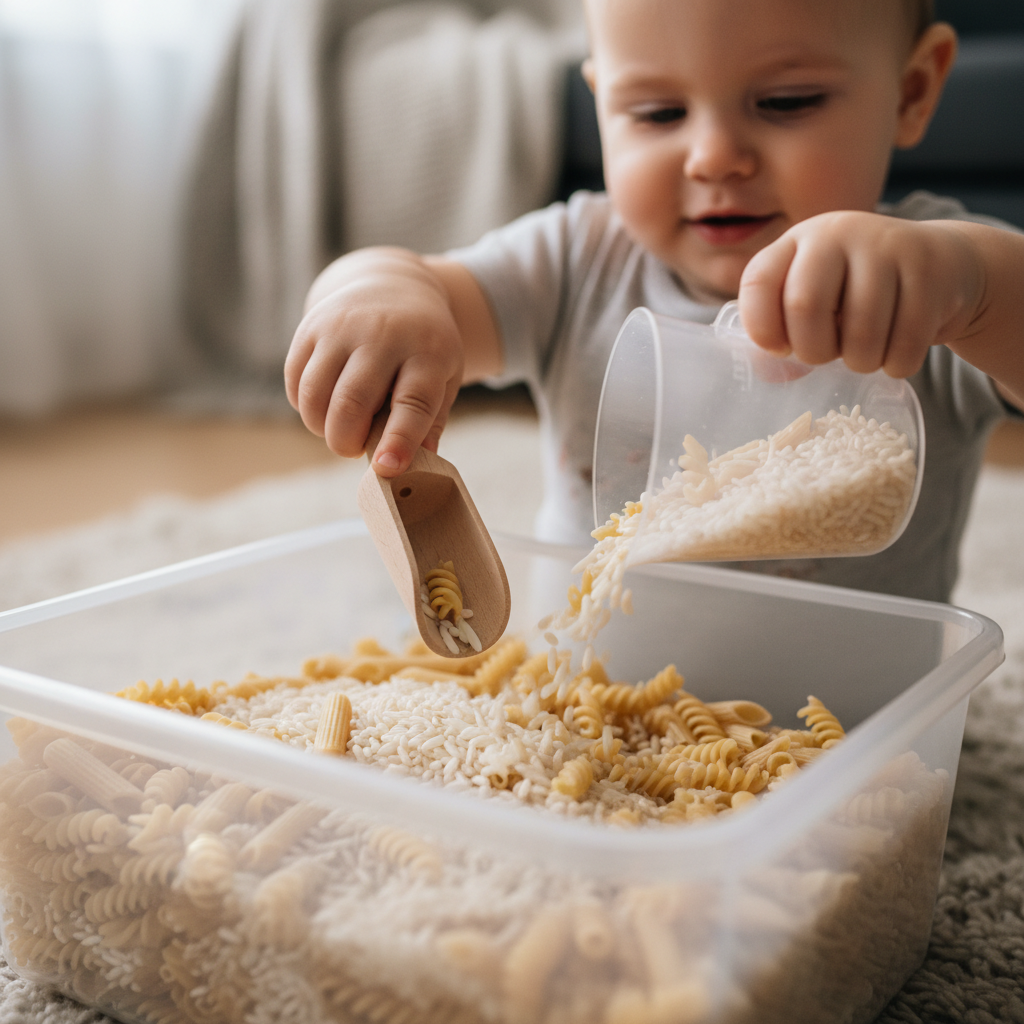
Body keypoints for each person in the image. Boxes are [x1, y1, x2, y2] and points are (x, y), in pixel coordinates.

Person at [284, 0, 1024, 602]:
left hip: (858, 734)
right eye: (657, 114)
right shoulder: (575, 260)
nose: (713, 156)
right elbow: (431, 291)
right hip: (598, 717)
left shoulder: (928, 282)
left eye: (785, 102)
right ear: (602, 98)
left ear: (914, 90)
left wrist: (979, 288)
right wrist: (378, 292)